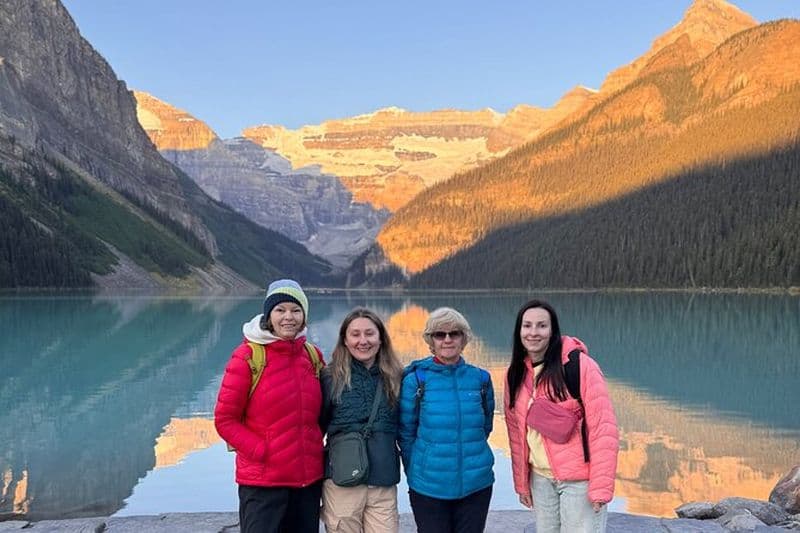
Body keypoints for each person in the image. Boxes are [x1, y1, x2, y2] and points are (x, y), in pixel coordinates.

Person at [214, 279, 325, 533]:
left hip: (306, 480)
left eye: (296, 311)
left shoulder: (312, 355)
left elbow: (321, 411)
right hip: (263, 482)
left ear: (304, 316)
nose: (289, 317)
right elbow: (225, 420)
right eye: (280, 310)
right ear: (268, 315)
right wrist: (262, 451)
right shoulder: (248, 357)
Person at [503, 299, 619, 533]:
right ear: (519, 331)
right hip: (540, 480)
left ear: (553, 330)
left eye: (541, 326)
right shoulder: (515, 374)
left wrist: (601, 488)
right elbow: (516, 435)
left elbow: (603, 428)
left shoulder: (579, 366)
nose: (533, 332)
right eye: (527, 326)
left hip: (579, 481)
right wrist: (522, 483)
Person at [398, 307, 495, 533]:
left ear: (464, 338)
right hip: (429, 486)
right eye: (440, 334)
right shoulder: (416, 380)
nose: (448, 339)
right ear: (431, 340)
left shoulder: (481, 379)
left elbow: (485, 426)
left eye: (455, 333)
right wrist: (417, 467)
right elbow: (405, 433)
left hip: (476, 483)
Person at [320, 308, 404, 533]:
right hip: (341, 482)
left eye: (369, 333)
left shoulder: (397, 377)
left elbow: (406, 428)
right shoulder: (330, 378)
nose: (363, 341)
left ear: (381, 339)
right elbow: (315, 429)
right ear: (345, 340)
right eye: (355, 334)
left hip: (383, 482)